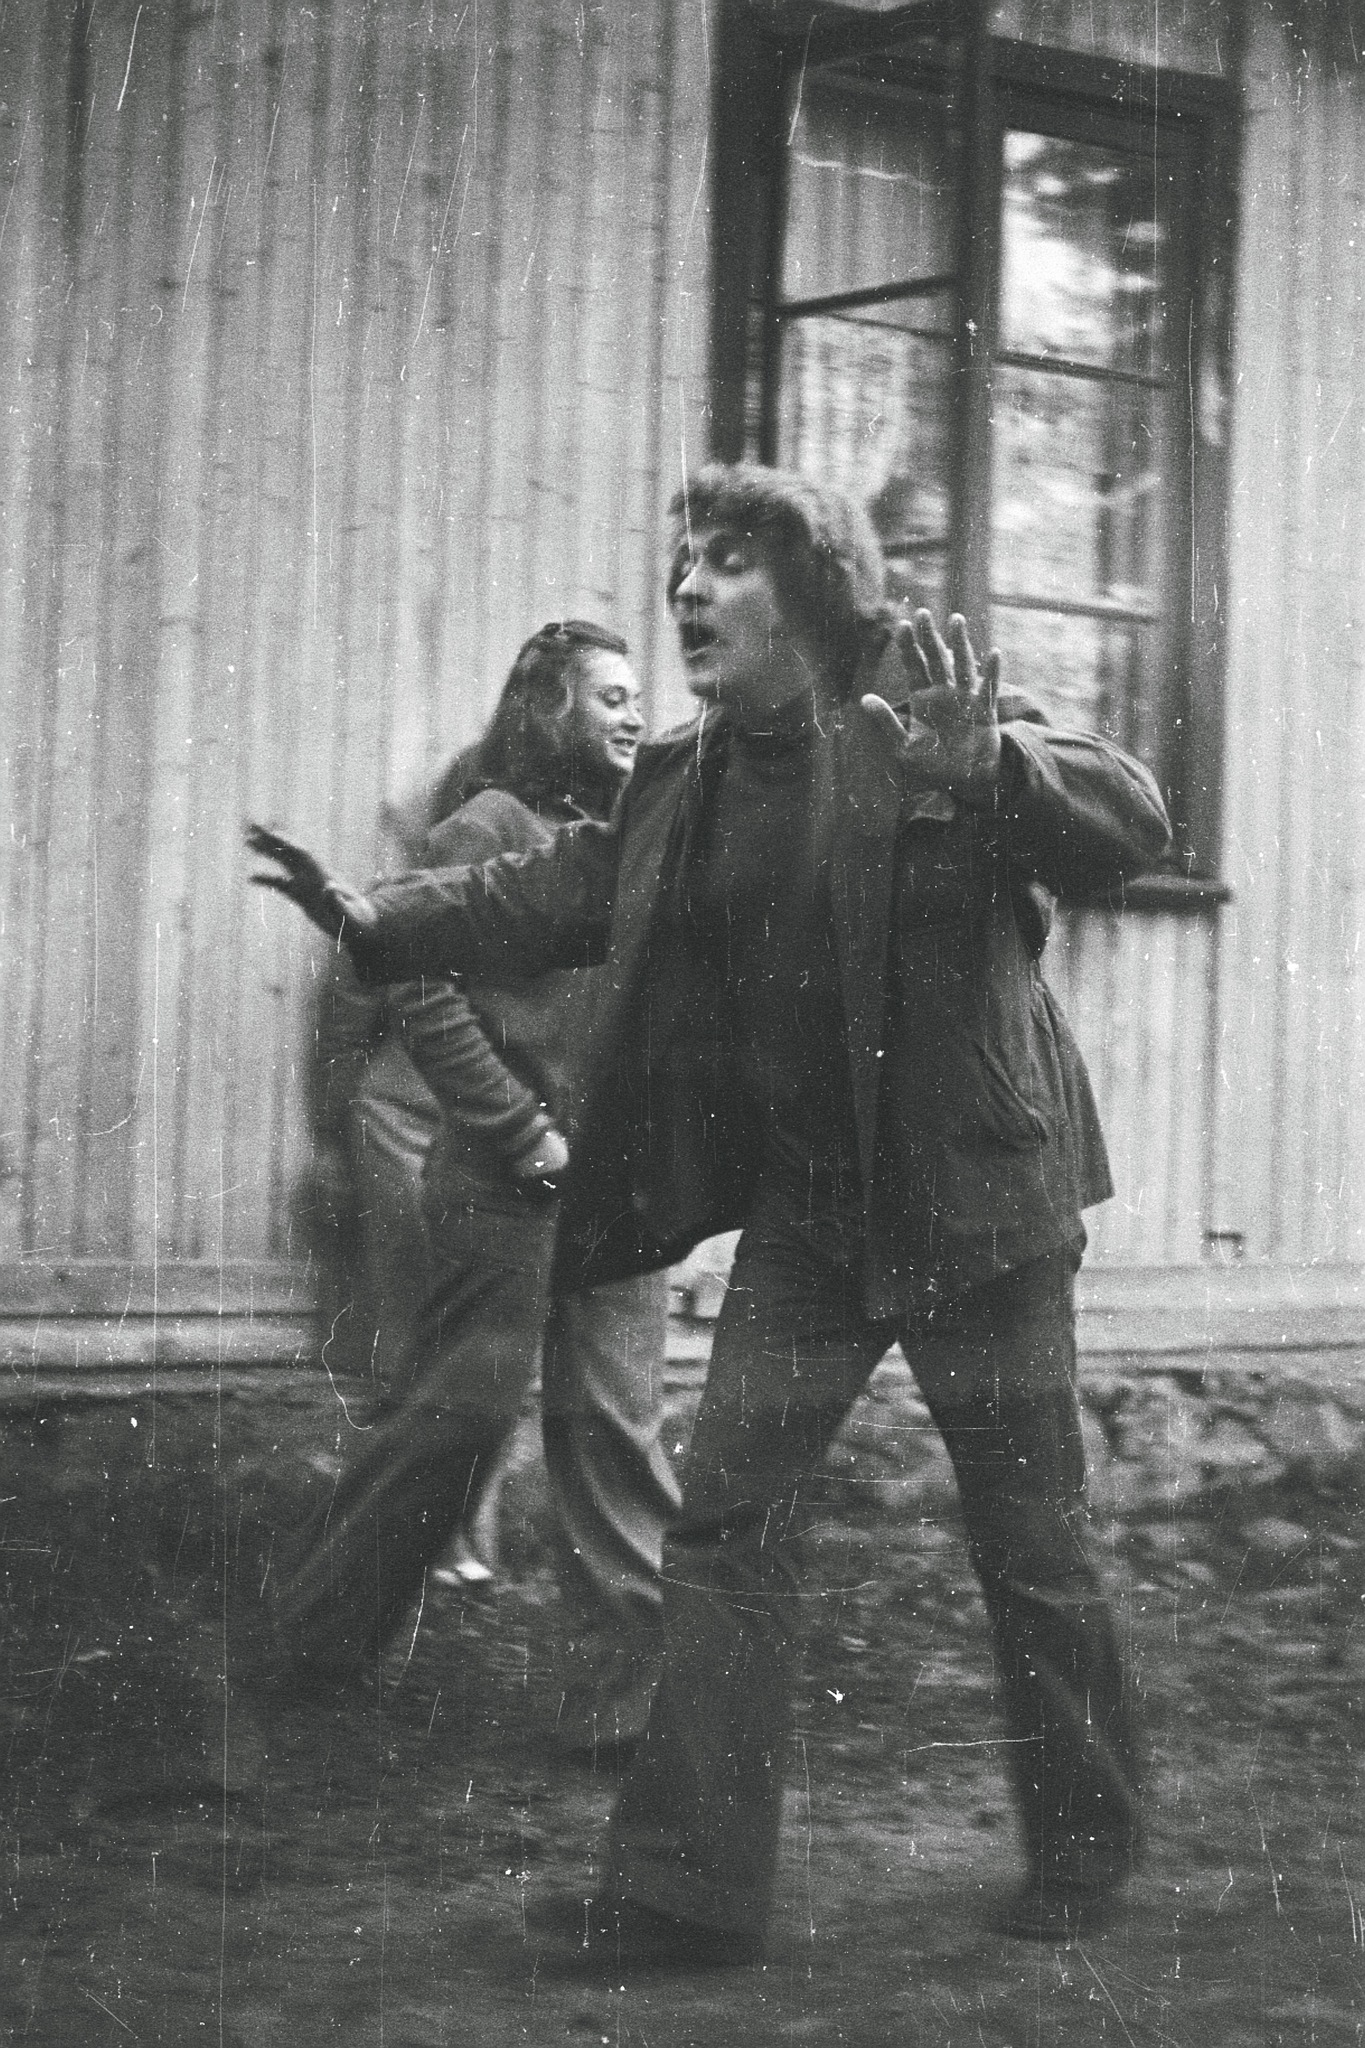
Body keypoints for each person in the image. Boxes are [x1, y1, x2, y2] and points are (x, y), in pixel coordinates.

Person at [249, 463, 1172, 1961]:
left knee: (1030, 1540)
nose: (688, 586)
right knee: (725, 1527)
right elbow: (553, 886)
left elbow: (1127, 812)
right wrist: (376, 916)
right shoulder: (685, 774)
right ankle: (689, 1894)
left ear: (814, 587)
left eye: (730, 559)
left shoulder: (924, 712)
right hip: (814, 1219)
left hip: (980, 1207)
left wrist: (996, 770)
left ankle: (1085, 1845)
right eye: (686, 558)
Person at [276, 620, 681, 1760]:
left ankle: (630, 1703)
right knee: (457, 1419)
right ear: (548, 709)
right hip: (505, 1185)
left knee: (615, 1427)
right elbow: (411, 984)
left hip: (618, 1188)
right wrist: (517, 1129)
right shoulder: (486, 827)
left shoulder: (635, 843)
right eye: (607, 695)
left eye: (637, 694)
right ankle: (313, 1633)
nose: (633, 713)